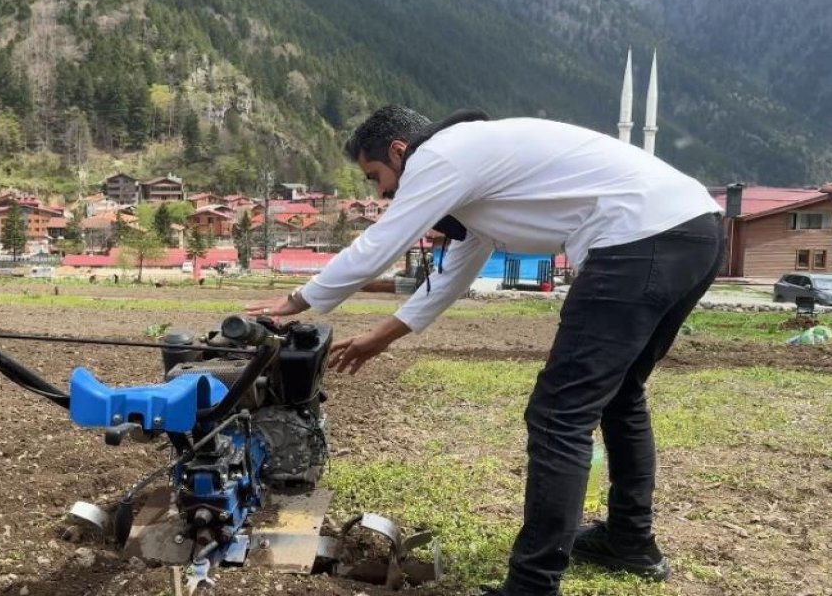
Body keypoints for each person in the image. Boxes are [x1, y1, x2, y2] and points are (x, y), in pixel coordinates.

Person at [246, 106, 722, 596]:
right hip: (694, 229)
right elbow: (454, 273)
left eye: (377, 177)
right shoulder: (478, 169)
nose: (382, 192)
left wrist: (298, 300)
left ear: (398, 151)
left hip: (637, 239)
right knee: (621, 396)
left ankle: (532, 586)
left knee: (560, 415)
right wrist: (379, 338)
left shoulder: (441, 155)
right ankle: (629, 542)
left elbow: (384, 240)